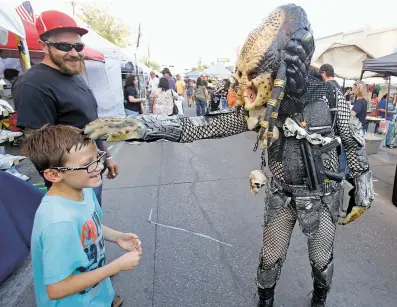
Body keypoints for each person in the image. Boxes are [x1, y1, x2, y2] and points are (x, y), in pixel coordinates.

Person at [84, 5, 373, 307]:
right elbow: (203, 126)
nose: (245, 87)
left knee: (321, 259)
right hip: (282, 194)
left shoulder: (328, 94)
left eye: (253, 76)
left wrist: (363, 187)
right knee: (269, 259)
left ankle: (319, 298)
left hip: (323, 194)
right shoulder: (259, 108)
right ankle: (265, 301)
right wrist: (138, 126)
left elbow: (353, 141)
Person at [22, 125, 142, 307]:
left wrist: (117, 237)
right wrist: (115, 267)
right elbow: (57, 288)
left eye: (98, 158)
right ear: (53, 174)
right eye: (88, 164)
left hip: (96, 296)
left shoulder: (83, 190)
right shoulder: (59, 222)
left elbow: (90, 223)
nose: (99, 167)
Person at [13, 10, 119, 206]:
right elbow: (38, 147)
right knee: (78, 233)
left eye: (78, 46)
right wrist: (69, 190)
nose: (74, 53)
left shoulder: (74, 77)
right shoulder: (32, 84)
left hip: (92, 173)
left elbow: (90, 125)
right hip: (71, 187)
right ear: (43, 46)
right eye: (63, 46)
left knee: (93, 229)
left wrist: (106, 157)